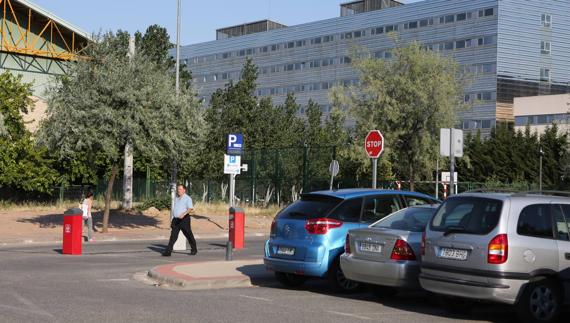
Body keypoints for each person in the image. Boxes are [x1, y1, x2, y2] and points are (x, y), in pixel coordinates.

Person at [162, 184, 197, 256]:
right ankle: (168, 251)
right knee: (173, 236)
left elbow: (190, 208)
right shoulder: (176, 198)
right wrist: (173, 218)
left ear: (184, 190)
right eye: (178, 189)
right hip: (176, 220)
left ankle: (194, 249)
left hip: (184, 219)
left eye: (180, 189)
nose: (179, 191)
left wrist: (183, 214)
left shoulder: (188, 198)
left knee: (188, 234)